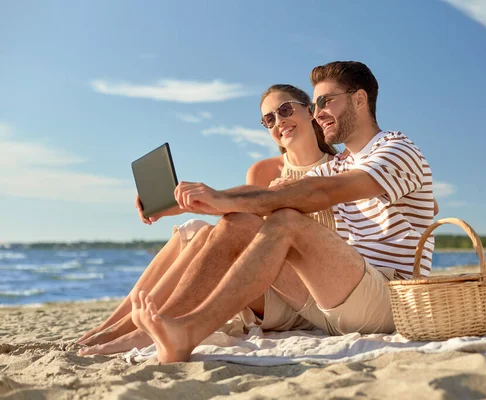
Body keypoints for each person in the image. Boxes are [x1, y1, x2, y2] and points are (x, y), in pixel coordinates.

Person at [127, 61, 437, 363]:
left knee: (287, 220)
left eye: (326, 101)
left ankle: (187, 332)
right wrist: (182, 203)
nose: (318, 113)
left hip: (390, 298)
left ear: (359, 98)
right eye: (315, 105)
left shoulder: (397, 148)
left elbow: (319, 193)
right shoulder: (339, 163)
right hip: (331, 304)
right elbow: (273, 192)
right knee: (239, 224)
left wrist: (222, 198)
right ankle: (171, 325)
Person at [75, 84, 339, 355]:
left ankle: (142, 332)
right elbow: (237, 207)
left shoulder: (341, 169)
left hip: (295, 291)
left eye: (285, 109)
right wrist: (165, 207)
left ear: (309, 111)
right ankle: (111, 327)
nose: (279, 121)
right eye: (269, 119)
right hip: (255, 279)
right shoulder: (264, 170)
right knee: (195, 230)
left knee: (210, 231)